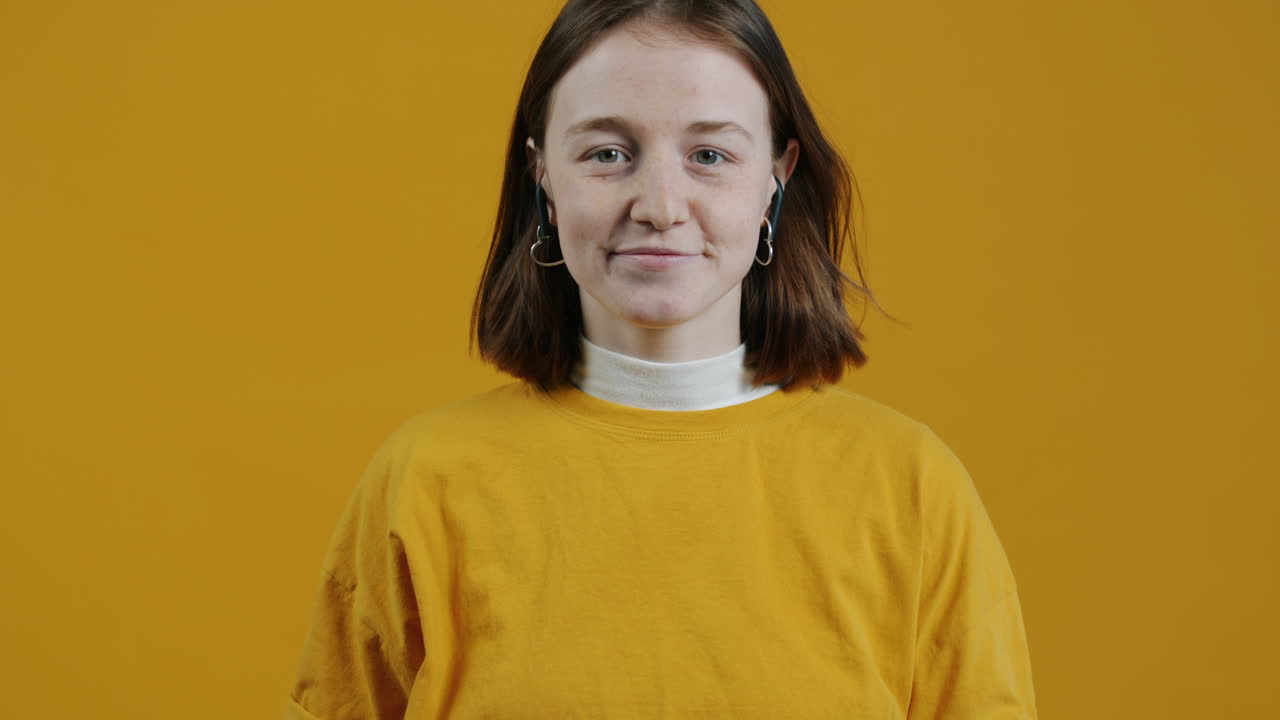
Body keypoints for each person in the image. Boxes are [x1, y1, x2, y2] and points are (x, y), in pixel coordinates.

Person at [285, 0, 1038, 718]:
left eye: (709, 154)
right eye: (608, 153)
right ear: (542, 174)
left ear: (777, 174)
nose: (660, 205)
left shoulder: (911, 488)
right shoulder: (423, 483)